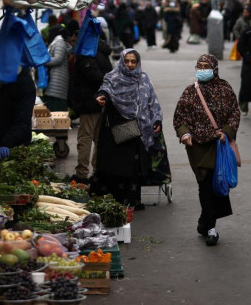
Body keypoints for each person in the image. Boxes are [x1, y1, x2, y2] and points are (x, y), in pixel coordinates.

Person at [173, 54, 240, 247]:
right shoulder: (190, 92)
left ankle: (207, 224)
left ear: (215, 68)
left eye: (206, 66)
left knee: (215, 184)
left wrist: (226, 132)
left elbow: (234, 113)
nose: (202, 69)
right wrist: (184, 134)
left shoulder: (225, 89)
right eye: (199, 66)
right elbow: (180, 117)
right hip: (198, 147)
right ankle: (209, 225)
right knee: (205, 184)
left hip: (218, 144)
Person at [93, 48, 165, 209]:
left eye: (134, 61)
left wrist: (157, 118)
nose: (130, 65)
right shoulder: (113, 77)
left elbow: (153, 100)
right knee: (118, 167)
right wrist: (101, 96)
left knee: (135, 168)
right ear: (121, 62)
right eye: (127, 61)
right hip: (119, 128)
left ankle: (134, 200)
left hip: (139, 130)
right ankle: (117, 201)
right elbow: (105, 89)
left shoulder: (144, 78)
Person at [68, 36, 113, 183]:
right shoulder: (100, 51)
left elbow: (96, 77)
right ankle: (98, 171)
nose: (72, 43)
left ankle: (82, 174)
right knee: (98, 138)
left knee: (85, 138)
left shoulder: (87, 55)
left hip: (90, 103)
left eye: (74, 40)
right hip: (99, 102)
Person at [42, 23, 73, 112]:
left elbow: (58, 59)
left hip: (57, 80)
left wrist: (43, 61)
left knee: (55, 108)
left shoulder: (59, 43)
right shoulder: (58, 42)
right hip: (55, 80)